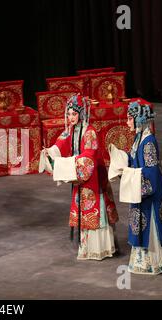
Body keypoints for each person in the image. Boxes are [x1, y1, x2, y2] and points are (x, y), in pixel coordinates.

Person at [42, 94, 119, 260]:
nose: (70, 118)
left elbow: (89, 156)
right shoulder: (71, 129)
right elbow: (60, 143)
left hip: (92, 176)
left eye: (74, 114)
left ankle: (99, 248)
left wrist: (71, 164)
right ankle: (87, 247)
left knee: (93, 208)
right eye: (68, 114)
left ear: (81, 114)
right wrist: (50, 151)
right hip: (79, 172)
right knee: (83, 208)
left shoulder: (89, 132)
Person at [111, 101, 162, 274]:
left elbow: (152, 173)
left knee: (151, 224)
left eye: (129, 119)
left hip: (149, 192)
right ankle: (146, 262)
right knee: (141, 223)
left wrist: (131, 176)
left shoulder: (148, 142)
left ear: (139, 120)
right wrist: (120, 157)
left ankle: (155, 262)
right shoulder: (139, 137)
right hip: (140, 187)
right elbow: (135, 160)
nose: (127, 122)